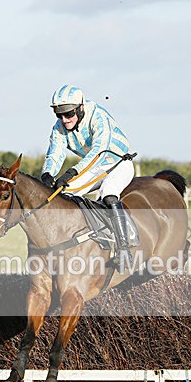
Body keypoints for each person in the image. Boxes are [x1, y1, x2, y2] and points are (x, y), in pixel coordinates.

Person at [41, 85, 135, 270]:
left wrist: (73, 171)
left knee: (108, 194)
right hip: (93, 168)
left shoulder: (98, 116)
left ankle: (124, 250)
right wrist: (47, 174)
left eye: (68, 114)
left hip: (117, 164)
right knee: (61, 196)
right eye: (59, 114)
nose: (64, 120)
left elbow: (98, 152)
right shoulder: (59, 127)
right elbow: (55, 153)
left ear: (80, 107)